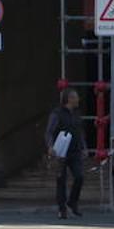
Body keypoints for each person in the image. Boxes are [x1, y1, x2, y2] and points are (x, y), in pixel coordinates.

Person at [45, 88, 87, 219]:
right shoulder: (57, 114)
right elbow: (49, 131)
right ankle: (62, 208)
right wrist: (50, 146)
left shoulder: (76, 114)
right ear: (69, 99)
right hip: (61, 151)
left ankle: (72, 202)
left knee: (79, 176)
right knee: (61, 180)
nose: (78, 99)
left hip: (75, 151)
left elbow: (80, 132)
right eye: (75, 97)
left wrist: (84, 147)